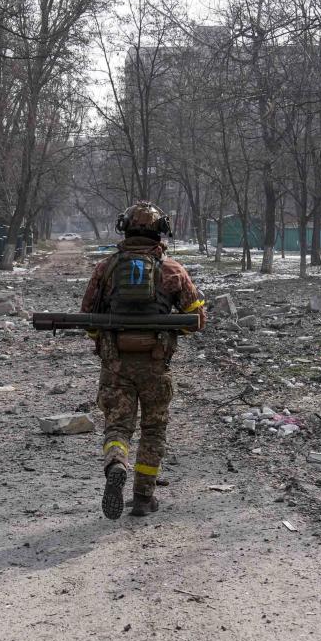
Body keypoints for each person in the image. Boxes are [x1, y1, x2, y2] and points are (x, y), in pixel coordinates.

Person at [80, 201, 206, 519]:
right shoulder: (173, 270)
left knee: (117, 427)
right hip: (155, 364)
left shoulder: (106, 268)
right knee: (153, 430)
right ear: (160, 232)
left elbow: (88, 319)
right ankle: (142, 499)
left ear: (125, 229)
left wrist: (106, 341)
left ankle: (116, 464)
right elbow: (197, 319)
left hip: (116, 366)